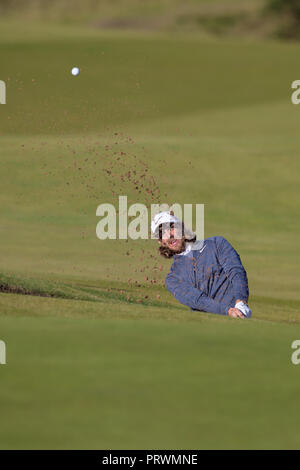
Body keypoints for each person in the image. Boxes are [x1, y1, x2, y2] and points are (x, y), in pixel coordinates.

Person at [151, 211, 252, 318]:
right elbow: (197, 300)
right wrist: (228, 311)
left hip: (239, 315)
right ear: (160, 241)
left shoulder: (217, 243)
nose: (169, 235)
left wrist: (241, 303)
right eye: (163, 233)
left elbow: (236, 271)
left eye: (171, 227)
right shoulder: (173, 279)